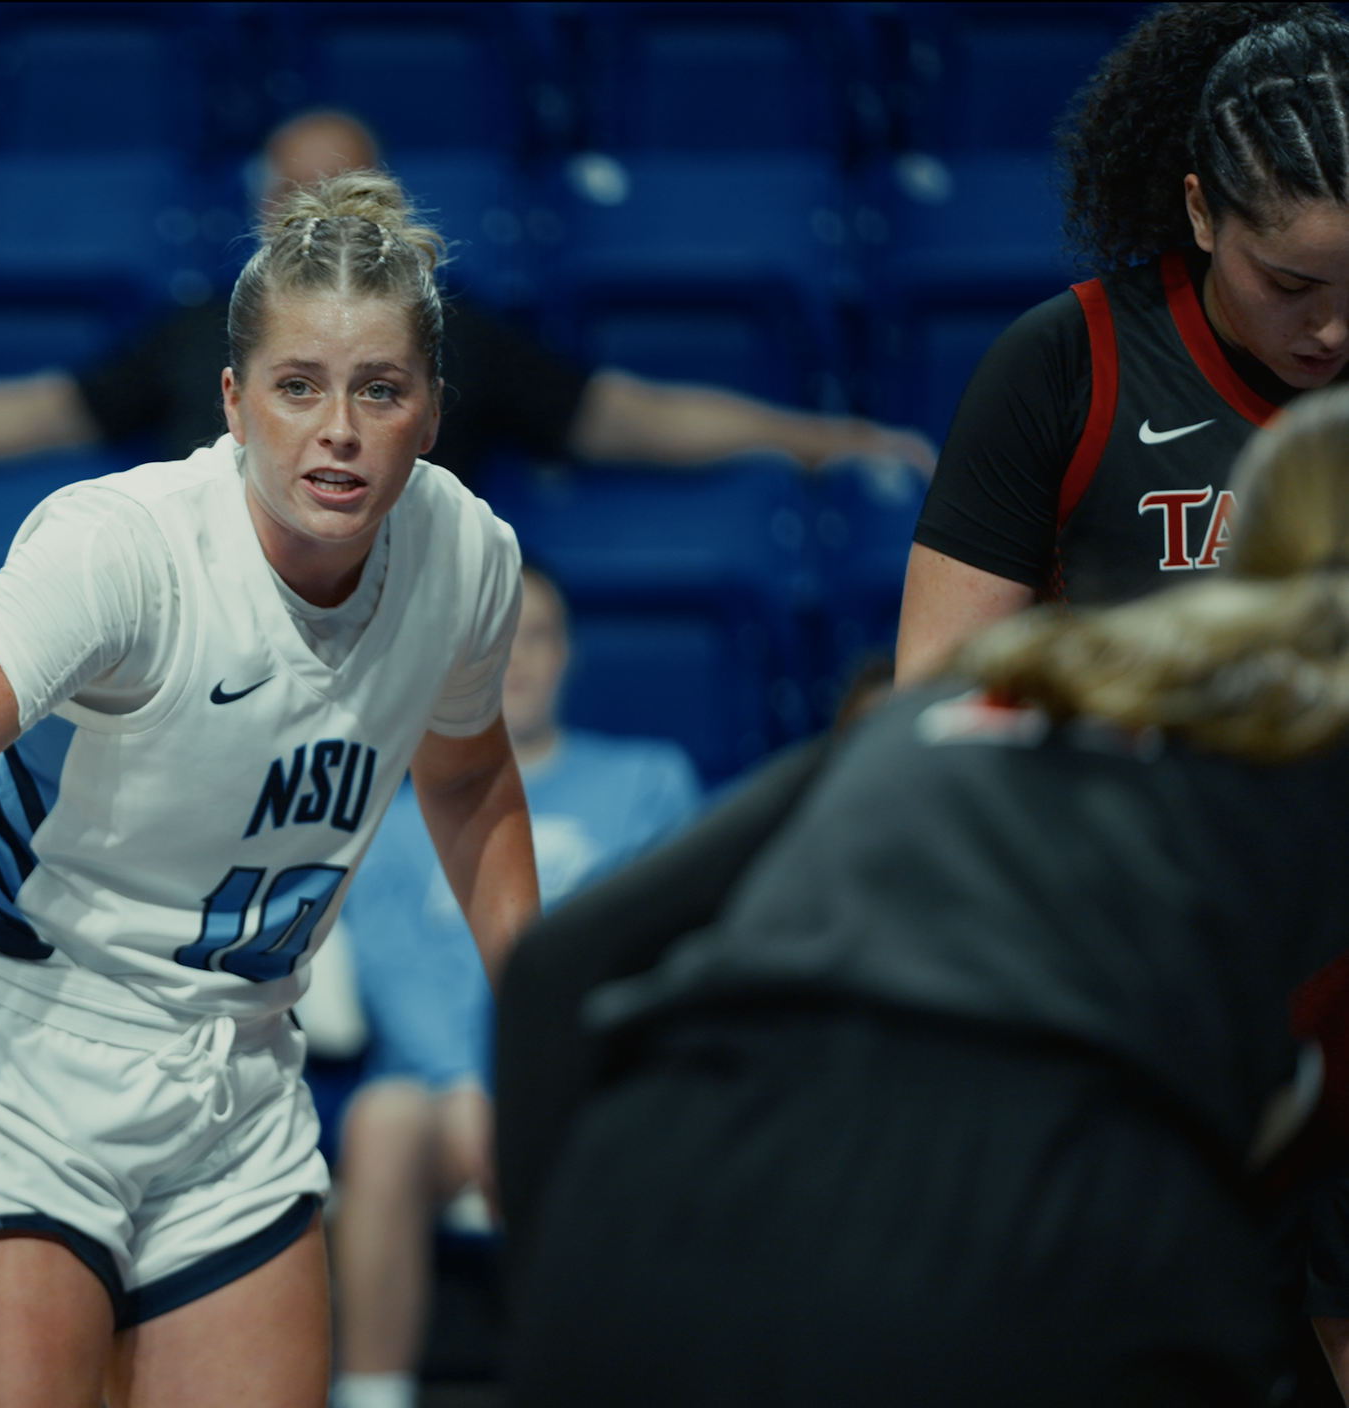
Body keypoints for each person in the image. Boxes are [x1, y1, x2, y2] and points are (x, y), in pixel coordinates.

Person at [0, 171, 540, 1408]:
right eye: (299, 386)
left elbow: (468, 781)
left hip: (240, 1078)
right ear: (236, 402)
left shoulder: (467, 558)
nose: (338, 430)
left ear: (433, 412)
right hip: (19, 1062)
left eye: (378, 390)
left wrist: (538, 1025)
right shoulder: (123, 548)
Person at [496, 388, 1349, 1406]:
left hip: (653, 1193)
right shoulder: (1305, 740)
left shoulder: (987, 681)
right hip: (1031, 1206)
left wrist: (566, 1280)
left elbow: (555, 967)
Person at [0, 109, 935, 481]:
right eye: (294, 192)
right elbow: (37, 409)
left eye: (342, 191)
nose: (318, 216)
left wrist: (821, 436)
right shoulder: (196, 330)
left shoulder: (459, 334)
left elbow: (633, 413)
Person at [326, 565, 699, 1408]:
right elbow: (387, 958)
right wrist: (466, 1084)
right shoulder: (397, 786)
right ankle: (371, 1393)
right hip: (436, 1097)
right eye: (500, 641)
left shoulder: (649, 782)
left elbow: (661, 951)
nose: (519, 660)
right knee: (380, 1123)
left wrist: (534, 1081)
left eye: (538, 638)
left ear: (567, 654)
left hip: (586, 1082)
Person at [897, 3, 1349, 684]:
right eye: (1290, 285)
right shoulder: (1064, 363)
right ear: (1201, 212)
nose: (1334, 329)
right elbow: (934, 703)